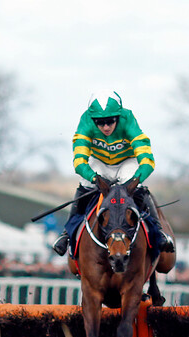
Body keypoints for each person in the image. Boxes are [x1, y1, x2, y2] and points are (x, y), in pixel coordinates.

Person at [52, 91, 174, 256]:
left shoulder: (127, 118)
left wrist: (135, 180)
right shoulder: (85, 122)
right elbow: (79, 161)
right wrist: (94, 178)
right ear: (93, 119)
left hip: (127, 161)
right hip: (100, 162)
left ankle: (158, 232)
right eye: (100, 123)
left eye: (110, 121)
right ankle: (66, 234)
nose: (106, 127)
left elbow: (146, 159)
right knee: (85, 183)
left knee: (138, 186)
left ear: (118, 117)